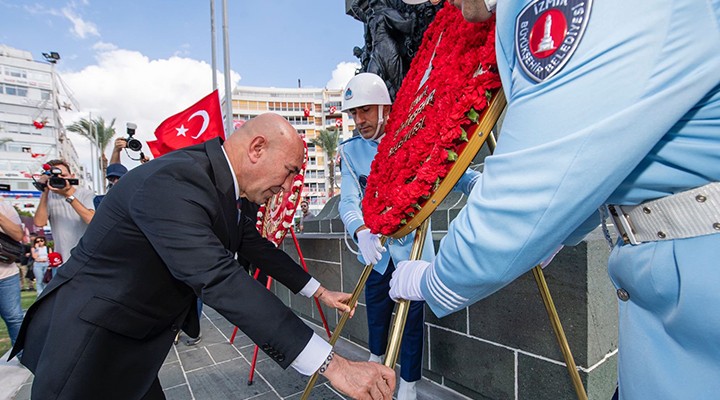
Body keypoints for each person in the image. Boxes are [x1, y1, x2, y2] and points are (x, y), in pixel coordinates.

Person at [390, 1, 720, 399]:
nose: (446, 4)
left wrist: (435, 279)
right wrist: (560, 233)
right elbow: (608, 158)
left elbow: (532, 180)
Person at [10, 113, 396, 400]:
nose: (289, 184)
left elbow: (256, 247)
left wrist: (319, 292)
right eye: (290, 170)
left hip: (132, 342)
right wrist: (336, 365)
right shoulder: (176, 180)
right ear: (258, 148)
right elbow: (218, 278)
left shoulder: (222, 188)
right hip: (88, 343)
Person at [339, 73, 479, 400]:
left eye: (366, 111)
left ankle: (409, 385)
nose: (359, 120)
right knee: (376, 316)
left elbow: (448, 170)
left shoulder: (415, 136)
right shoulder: (350, 152)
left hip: (413, 253)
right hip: (376, 255)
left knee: (412, 324)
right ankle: (374, 367)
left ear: (385, 108)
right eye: (354, 113)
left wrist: (476, 182)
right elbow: (348, 200)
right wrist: (360, 231)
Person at [33, 159, 95, 271]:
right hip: (61, 261)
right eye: (56, 176)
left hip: (86, 260)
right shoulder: (49, 197)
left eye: (63, 175)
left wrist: (67, 194)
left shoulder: (85, 194)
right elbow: (39, 223)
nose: (60, 178)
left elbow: (91, 219)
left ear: (72, 176)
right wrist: (45, 191)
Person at [0, 198, 24, 346]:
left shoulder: (3, 204)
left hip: (6, 275)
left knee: (14, 318)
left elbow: (18, 235)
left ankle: (24, 354)